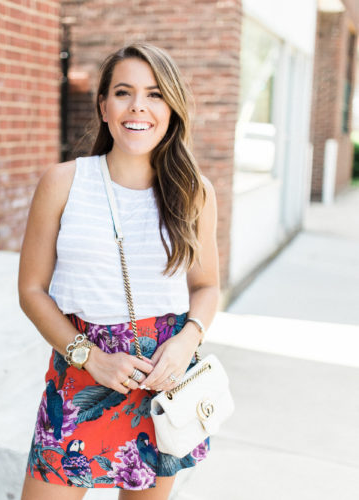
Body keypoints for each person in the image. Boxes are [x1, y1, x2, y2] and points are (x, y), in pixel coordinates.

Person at [18, 43, 220, 499]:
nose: (139, 107)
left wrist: (186, 341)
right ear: (104, 107)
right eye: (124, 92)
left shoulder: (194, 191)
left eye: (154, 94)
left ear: (171, 108)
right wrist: (91, 357)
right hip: (80, 373)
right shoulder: (63, 182)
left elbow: (207, 287)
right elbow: (31, 289)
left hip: (162, 381)